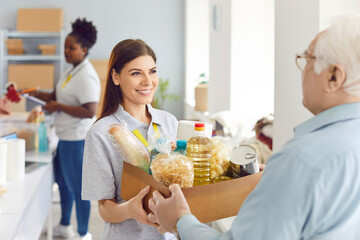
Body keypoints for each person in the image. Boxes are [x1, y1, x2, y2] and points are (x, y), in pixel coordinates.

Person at [147, 13, 360, 240]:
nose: (303, 69)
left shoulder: (300, 160)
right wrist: (277, 179)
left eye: (307, 58)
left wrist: (179, 219)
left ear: (334, 77)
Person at [82, 39, 178, 240]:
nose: (148, 81)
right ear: (116, 77)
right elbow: (104, 208)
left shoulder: (169, 122)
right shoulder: (101, 132)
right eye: (136, 73)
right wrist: (130, 210)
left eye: (152, 71)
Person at [33, 18, 100, 240]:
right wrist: (30, 92)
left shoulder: (86, 76)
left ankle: (84, 233)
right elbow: (53, 97)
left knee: (79, 189)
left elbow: (90, 110)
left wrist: (58, 107)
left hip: (77, 141)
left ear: (84, 49)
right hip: (64, 138)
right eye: (65, 47)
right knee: (62, 184)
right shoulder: (70, 72)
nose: (66, 51)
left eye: (71, 48)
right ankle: (64, 225)